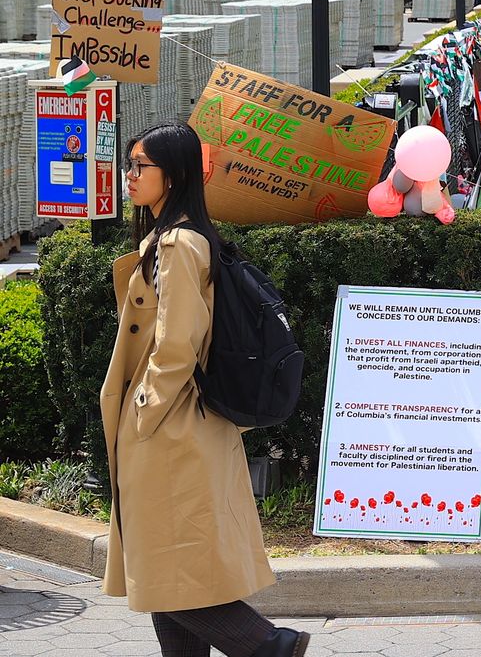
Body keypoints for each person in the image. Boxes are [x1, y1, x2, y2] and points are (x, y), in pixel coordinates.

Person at [106, 124, 308, 657]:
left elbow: (176, 345)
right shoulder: (183, 237)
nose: (129, 176)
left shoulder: (177, 244)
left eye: (139, 166)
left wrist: (143, 413)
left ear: (171, 176)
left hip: (170, 428)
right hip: (185, 424)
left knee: (167, 572)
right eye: (129, 164)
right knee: (170, 572)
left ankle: (271, 646)